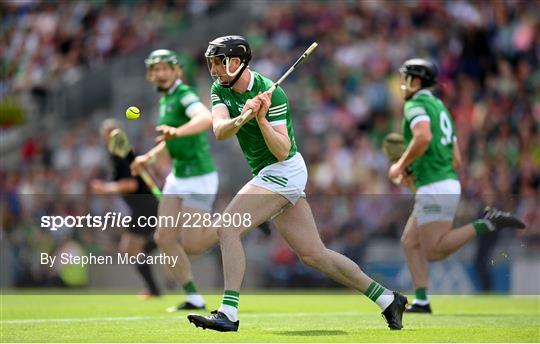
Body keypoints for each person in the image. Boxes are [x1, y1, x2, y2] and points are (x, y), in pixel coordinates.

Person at [187, 35, 407, 332]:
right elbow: (220, 131)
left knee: (228, 227)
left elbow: (281, 149)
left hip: (284, 169)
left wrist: (262, 119)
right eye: (211, 63)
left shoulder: (272, 94)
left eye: (218, 62)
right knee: (314, 255)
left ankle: (229, 313)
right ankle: (388, 299)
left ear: (237, 62)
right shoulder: (219, 90)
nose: (213, 70)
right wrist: (242, 116)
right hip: (267, 173)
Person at [388, 58, 526, 313]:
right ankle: (422, 300)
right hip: (444, 181)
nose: (402, 83)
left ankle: (488, 222)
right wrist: (416, 168)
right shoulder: (439, 105)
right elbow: (457, 157)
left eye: (405, 77)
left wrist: (400, 165)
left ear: (416, 81)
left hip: (435, 185)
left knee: (435, 251)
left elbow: (423, 136)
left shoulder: (415, 103)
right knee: (410, 241)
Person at [130, 49, 219, 311]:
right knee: (164, 238)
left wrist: (177, 131)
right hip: (178, 177)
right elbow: (170, 141)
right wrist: (149, 157)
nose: (160, 73)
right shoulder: (165, 100)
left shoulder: (184, 95)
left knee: (192, 245)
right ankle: (194, 297)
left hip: (199, 176)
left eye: (165, 68)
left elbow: (205, 118)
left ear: (176, 70)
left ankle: (233, 225)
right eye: (156, 69)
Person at [90, 118, 161, 299]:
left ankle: (154, 286)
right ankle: (154, 286)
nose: (107, 139)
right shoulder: (117, 154)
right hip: (143, 206)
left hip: (145, 205)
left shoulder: (121, 154)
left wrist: (105, 188)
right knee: (131, 249)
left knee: (130, 248)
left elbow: (130, 184)